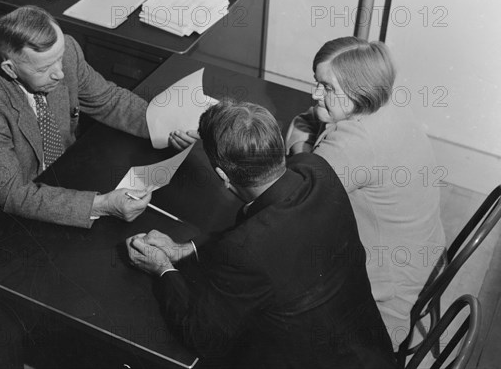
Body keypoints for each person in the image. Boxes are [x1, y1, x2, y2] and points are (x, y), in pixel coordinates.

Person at [126, 99, 396, 369]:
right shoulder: (317, 170)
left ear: (223, 175)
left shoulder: (245, 251)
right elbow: (263, 237)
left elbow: (202, 336)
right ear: (277, 145)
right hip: (373, 352)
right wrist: (188, 248)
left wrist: (162, 268)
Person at [286, 36, 446, 348]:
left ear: (359, 89)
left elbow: (288, 201)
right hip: (418, 254)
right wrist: (303, 147)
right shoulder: (379, 102)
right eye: (316, 82)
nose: (315, 93)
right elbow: (304, 120)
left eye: (327, 87)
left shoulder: (358, 144)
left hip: (382, 305)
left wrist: (298, 150)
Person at [0, 5, 158, 238]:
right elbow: (11, 194)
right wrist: (100, 205)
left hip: (65, 175)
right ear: (10, 69)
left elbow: (107, 99)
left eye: (59, 59)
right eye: (44, 69)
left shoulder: (65, 49)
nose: (59, 73)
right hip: (2, 215)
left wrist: (163, 125)